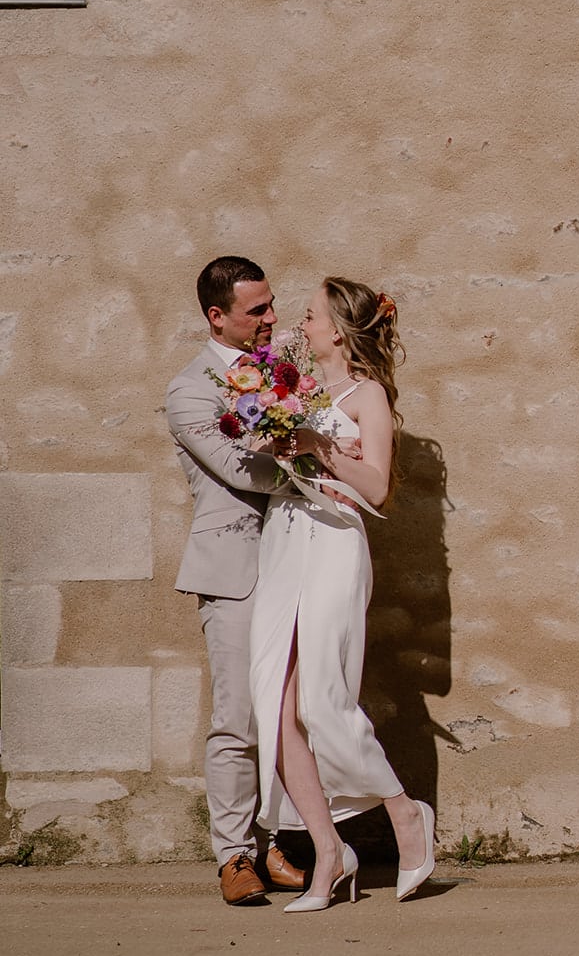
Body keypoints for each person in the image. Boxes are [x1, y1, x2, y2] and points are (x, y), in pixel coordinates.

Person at [248, 277, 435, 913]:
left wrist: (319, 447)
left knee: (322, 699)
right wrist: (275, 437)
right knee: (273, 703)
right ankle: (329, 851)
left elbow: (377, 486)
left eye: (310, 316)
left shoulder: (367, 394)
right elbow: (269, 455)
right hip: (284, 538)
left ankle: (404, 812)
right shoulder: (293, 389)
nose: (301, 325)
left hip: (332, 540)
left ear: (339, 329)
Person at [166, 256, 306, 906]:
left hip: (293, 560)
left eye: (272, 303)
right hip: (234, 570)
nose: (272, 317)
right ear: (216, 316)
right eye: (258, 309)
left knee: (289, 713)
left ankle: (274, 841)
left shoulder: (283, 372)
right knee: (238, 717)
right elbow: (240, 470)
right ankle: (234, 854)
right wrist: (320, 464)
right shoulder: (190, 389)